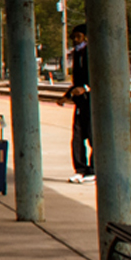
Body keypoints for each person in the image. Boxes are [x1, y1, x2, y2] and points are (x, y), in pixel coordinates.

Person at [60, 24, 94, 184]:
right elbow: (76, 82)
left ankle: (93, 169)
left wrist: (86, 88)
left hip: (93, 102)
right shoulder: (77, 54)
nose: (75, 40)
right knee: (77, 137)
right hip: (81, 103)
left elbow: (98, 76)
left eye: (78, 37)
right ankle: (80, 169)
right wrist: (66, 96)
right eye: (73, 37)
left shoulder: (91, 53)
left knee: (93, 136)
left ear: (86, 37)